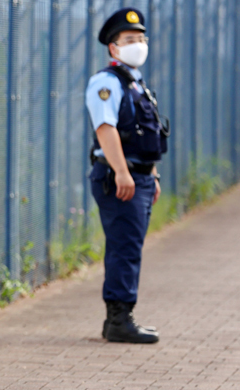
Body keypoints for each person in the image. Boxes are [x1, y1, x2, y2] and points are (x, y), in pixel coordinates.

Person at [86, 7, 169, 343]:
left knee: (129, 247)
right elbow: (105, 130)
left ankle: (118, 320)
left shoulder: (136, 83)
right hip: (120, 178)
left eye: (141, 38)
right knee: (124, 248)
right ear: (113, 48)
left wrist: (153, 175)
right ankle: (119, 320)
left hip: (140, 177)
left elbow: (145, 135)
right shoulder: (106, 82)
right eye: (130, 39)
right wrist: (122, 172)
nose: (139, 44)